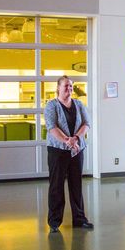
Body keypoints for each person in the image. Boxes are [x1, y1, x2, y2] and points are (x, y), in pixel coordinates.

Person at [44, 75, 93, 233]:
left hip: (77, 149)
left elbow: (87, 124)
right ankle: (54, 222)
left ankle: (79, 219)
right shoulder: (51, 105)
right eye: (66, 86)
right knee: (56, 186)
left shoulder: (79, 104)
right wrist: (68, 141)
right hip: (57, 150)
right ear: (58, 88)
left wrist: (76, 138)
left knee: (76, 184)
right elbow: (52, 127)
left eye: (71, 86)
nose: (69, 89)